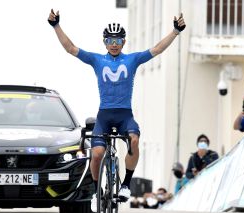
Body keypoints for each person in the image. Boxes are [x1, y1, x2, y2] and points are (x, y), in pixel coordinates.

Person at [47, 9, 186, 212]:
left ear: (123, 42)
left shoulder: (132, 60)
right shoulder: (97, 60)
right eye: (111, 40)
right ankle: (96, 192)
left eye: (118, 40)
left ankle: (126, 185)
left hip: (124, 115)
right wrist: (55, 25)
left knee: (135, 140)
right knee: (96, 154)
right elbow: (70, 48)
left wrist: (175, 31)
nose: (114, 44)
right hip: (104, 115)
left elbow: (156, 49)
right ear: (105, 42)